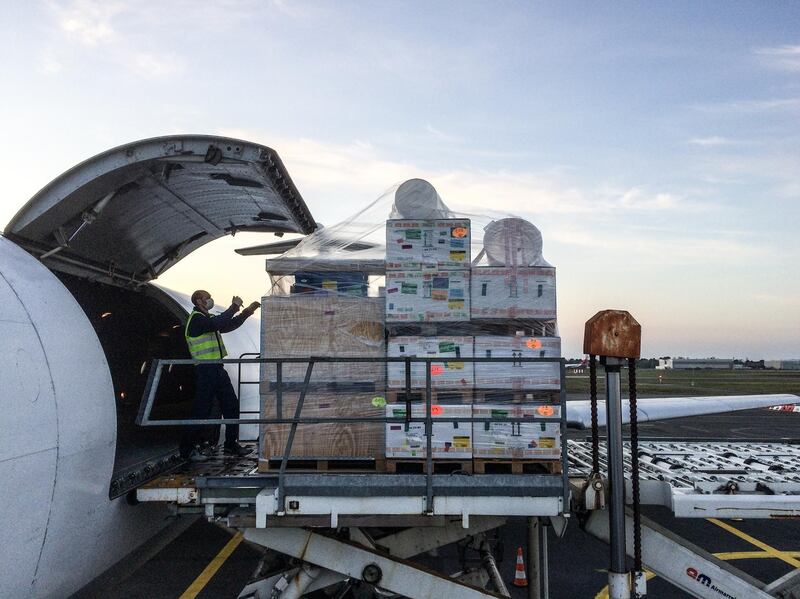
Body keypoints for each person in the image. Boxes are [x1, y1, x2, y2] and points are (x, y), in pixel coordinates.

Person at [180, 290, 260, 461]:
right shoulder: (197, 319)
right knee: (201, 411)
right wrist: (234, 306)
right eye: (207, 298)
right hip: (206, 371)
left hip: (217, 369)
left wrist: (247, 312)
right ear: (199, 301)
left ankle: (231, 444)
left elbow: (228, 325)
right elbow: (219, 322)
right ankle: (187, 450)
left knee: (231, 405)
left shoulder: (207, 320)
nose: (210, 300)